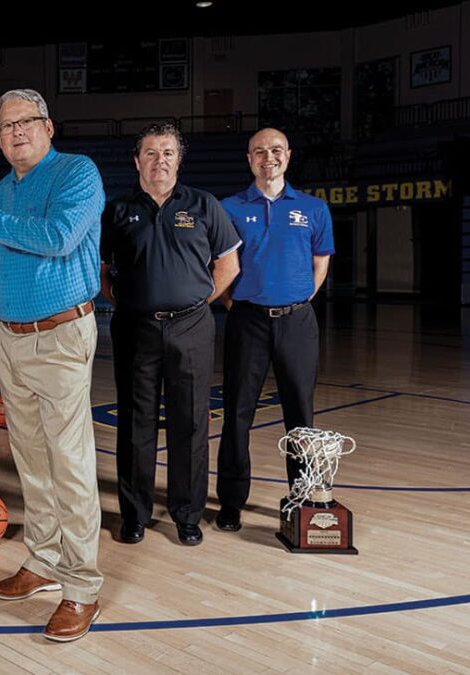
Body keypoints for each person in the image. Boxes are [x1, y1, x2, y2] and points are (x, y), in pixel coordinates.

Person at [0, 88, 105, 643]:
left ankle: (81, 588)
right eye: (5, 126)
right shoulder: (0, 189)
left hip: (60, 335)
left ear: (48, 127)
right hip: (9, 338)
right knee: (30, 459)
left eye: (25, 123)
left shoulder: (77, 174)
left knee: (71, 463)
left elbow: (57, 240)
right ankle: (43, 561)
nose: (15, 133)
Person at [102, 122, 241, 548]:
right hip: (135, 328)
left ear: (178, 160)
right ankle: (135, 514)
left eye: (167, 152)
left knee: (191, 422)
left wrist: (196, 302)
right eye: (150, 152)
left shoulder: (203, 205)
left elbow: (228, 266)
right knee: (135, 423)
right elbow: (103, 271)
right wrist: (129, 302)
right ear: (136, 160)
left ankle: (187, 514)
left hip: (191, 327)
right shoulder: (118, 210)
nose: (158, 160)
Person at [215, 128, 334, 532]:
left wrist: (297, 300)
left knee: (301, 415)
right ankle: (230, 503)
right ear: (249, 159)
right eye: (260, 151)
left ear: (289, 156)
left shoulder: (314, 209)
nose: (269, 157)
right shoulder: (228, 208)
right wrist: (239, 304)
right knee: (237, 414)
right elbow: (219, 266)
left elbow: (321, 263)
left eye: (277, 150)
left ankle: (302, 497)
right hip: (247, 320)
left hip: (298, 322)